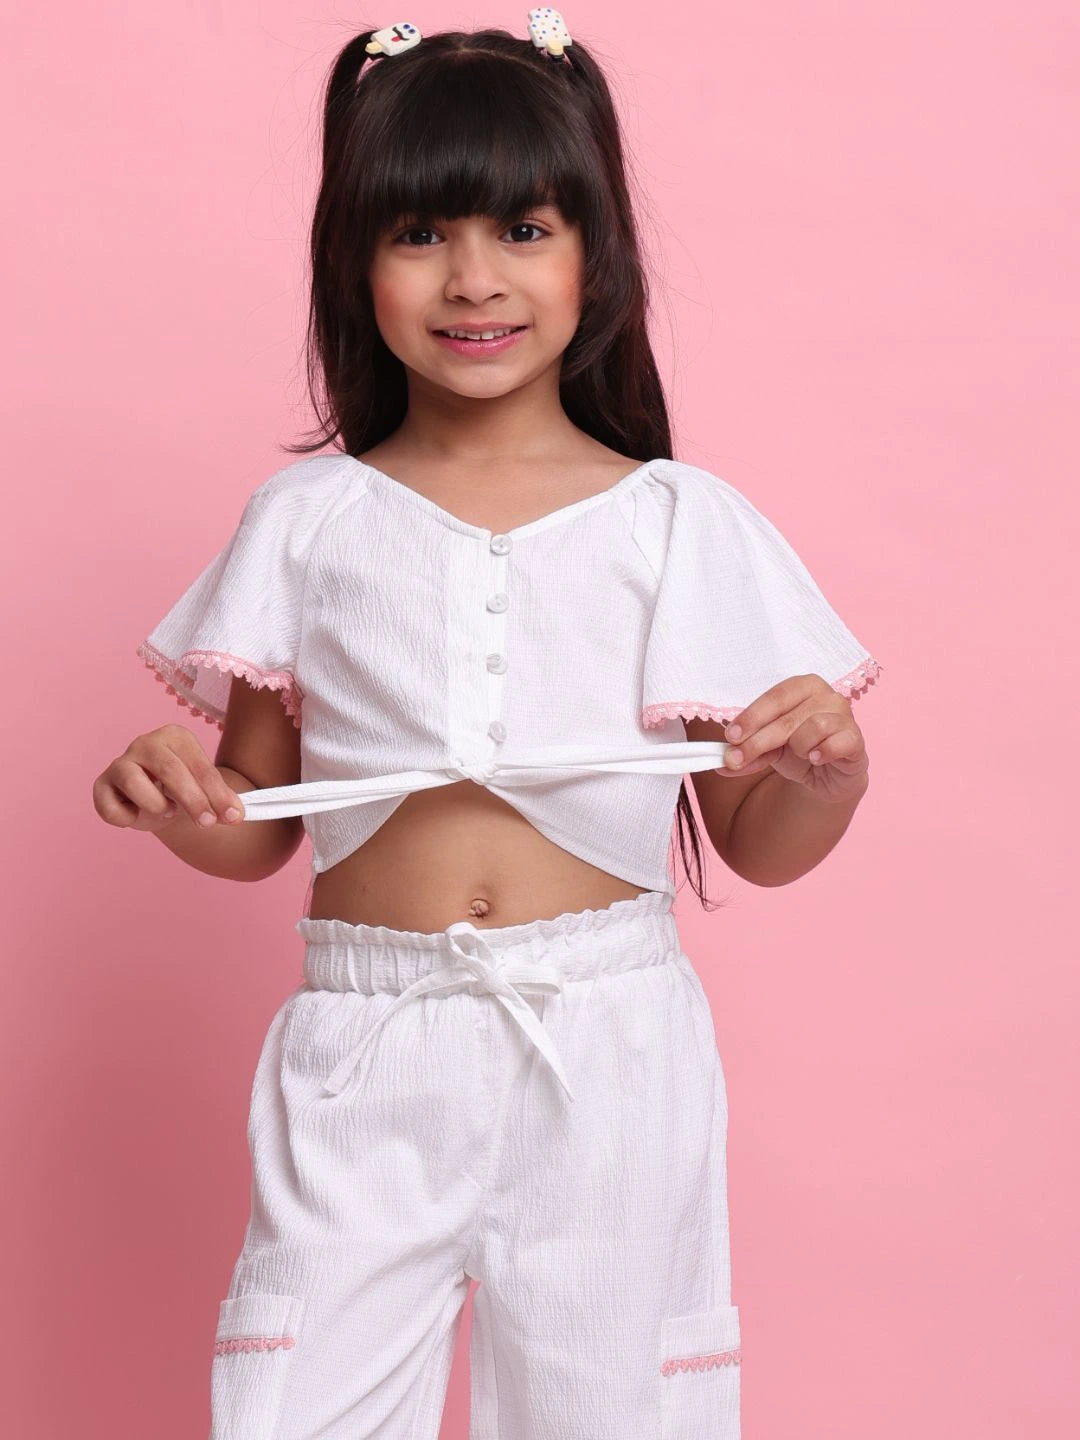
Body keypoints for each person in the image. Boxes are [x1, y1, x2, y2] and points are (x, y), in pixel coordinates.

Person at [92, 17, 882, 1440]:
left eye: (523, 229)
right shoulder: (309, 521)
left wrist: (825, 775)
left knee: (612, 1409)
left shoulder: (676, 523)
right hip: (366, 1047)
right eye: (420, 234)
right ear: (354, 262)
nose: (474, 280)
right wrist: (177, 801)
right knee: (294, 1403)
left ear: (595, 255)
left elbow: (756, 844)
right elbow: (251, 819)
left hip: (608, 1050)